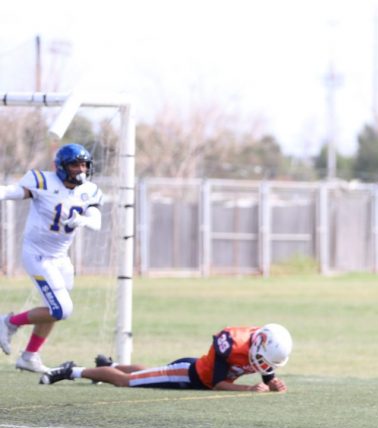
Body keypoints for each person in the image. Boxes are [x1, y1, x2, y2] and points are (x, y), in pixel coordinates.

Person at [0, 143, 104, 373]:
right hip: (38, 255)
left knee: (53, 308)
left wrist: (82, 220)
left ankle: (29, 356)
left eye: (84, 165)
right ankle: (8, 323)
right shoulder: (43, 181)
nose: (81, 170)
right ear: (61, 167)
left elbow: (96, 221)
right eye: (75, 165)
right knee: (62, 310)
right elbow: (13, 192)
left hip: (61, 258)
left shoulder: (89, 190)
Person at [39, 324, 293, 393]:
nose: (264, 366)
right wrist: (248, 389)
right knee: (126, 381)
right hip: (189, 375)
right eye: (263, 360)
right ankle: (72, 370)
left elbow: (265, 369)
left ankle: (110, 366)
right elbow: (217, 383)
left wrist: (272, 382)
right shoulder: (232, 342)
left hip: (193, 372)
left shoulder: (260, 349)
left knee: (147, 373)